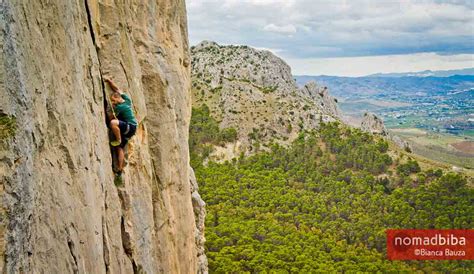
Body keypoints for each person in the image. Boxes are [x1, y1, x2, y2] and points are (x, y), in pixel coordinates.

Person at [105, 78, 137, 176]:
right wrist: (109, 81)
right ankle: (119, 169)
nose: (114, 103)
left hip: (129, 127)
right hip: (131, 128)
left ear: (118, 99)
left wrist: (112, 110)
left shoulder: (119, 107)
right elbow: (117, 89)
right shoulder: (126, 100)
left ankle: (118, 139)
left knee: (113, 123)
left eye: (114, 101)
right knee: (119, 148)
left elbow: (110, 119)